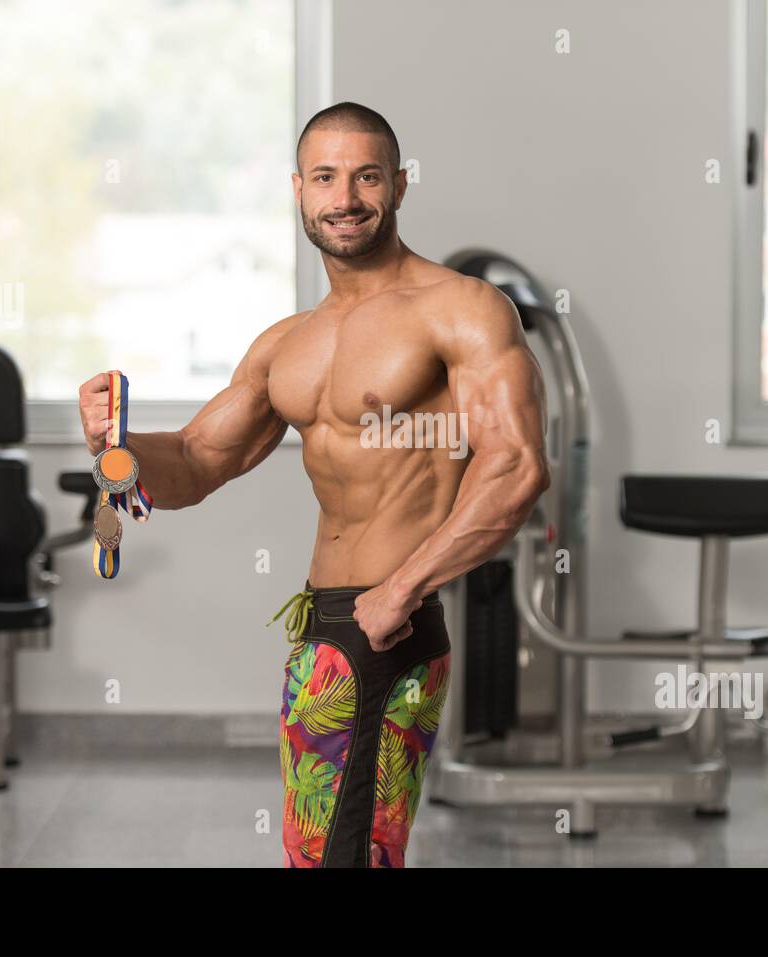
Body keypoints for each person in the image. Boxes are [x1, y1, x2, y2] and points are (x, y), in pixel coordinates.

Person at [77, 101, 549, 867]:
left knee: (344, 857)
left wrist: (403, 588)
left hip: (387, 628)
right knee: (326, 854)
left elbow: (518, 466)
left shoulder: (459, 309)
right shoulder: (289, 343)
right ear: (299, 189)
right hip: (319, 630)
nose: (346, 198)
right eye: (326, 178)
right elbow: (196, 463)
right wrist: (117, 445)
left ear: (399, 185)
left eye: (366, 176)